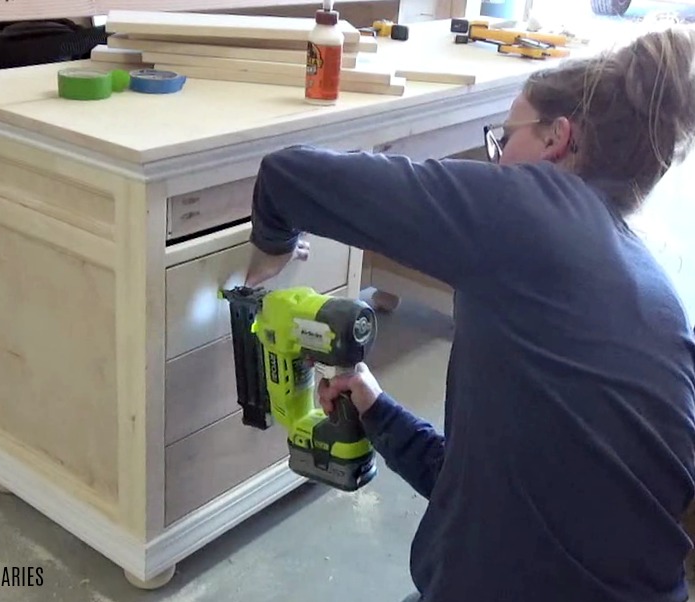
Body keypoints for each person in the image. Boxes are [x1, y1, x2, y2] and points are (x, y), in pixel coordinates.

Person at [243, 25, 695, 602]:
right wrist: (379, 413)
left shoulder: (531, 209)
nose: (497, 156)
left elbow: (286, 177)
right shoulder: (650, 285)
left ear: (558, 137)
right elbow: (491, 499)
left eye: (504, 137)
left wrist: (268, 257)